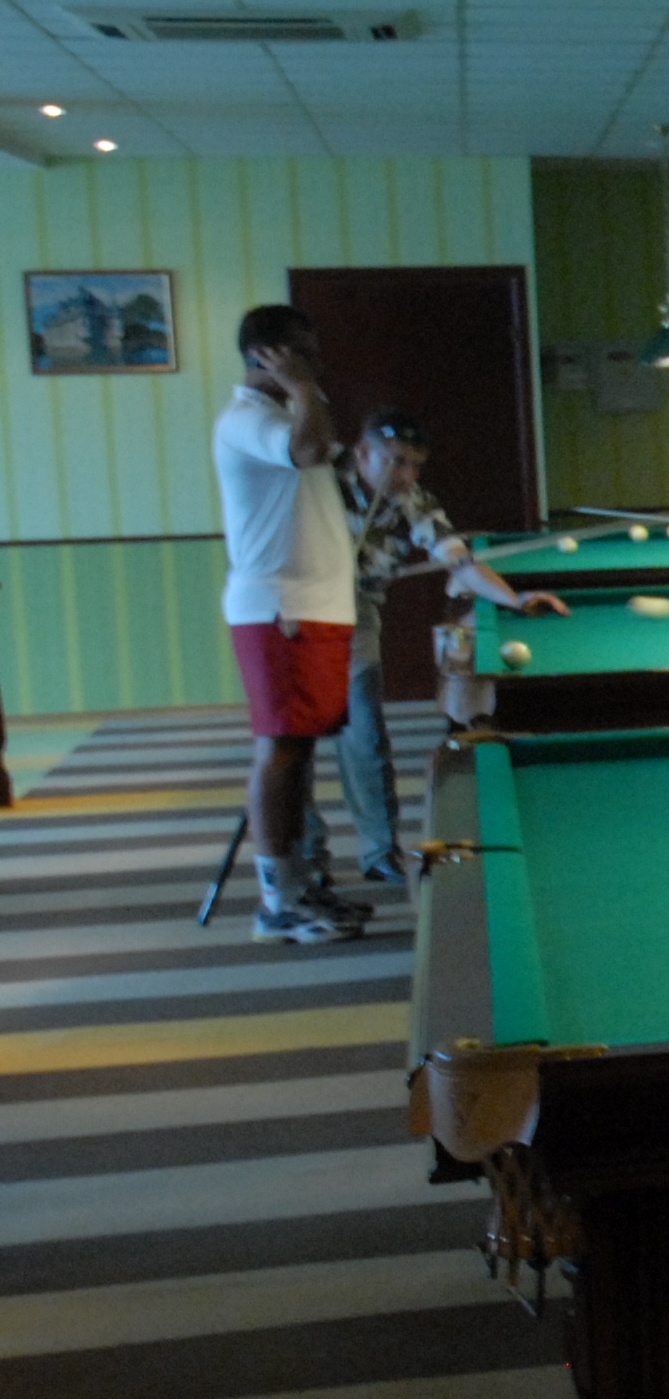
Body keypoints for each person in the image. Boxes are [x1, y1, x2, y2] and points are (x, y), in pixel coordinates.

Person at [338, 408, 564, 885]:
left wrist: (513, 598)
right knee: (294, 741)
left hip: (357, 613)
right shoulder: (319, 484)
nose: (407, 476)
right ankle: (305, 860)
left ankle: (379, 851)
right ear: (362, 453)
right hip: (293, 612)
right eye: (396, 462)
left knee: (364, 730)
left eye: (415, 465)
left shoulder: (412, 500)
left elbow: (458, 559)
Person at [214, 307, 367, 943]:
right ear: (267, 354)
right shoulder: (247, 419)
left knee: (299, 749)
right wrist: (302, 386)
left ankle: (301, 882)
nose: (317, 364)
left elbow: (322, 453)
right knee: (281, 749)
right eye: (303, 352)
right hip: (282, 610)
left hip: (313, 608)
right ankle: (278, 903)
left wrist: (306, 391)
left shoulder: (289, 412)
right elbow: (306, 451)